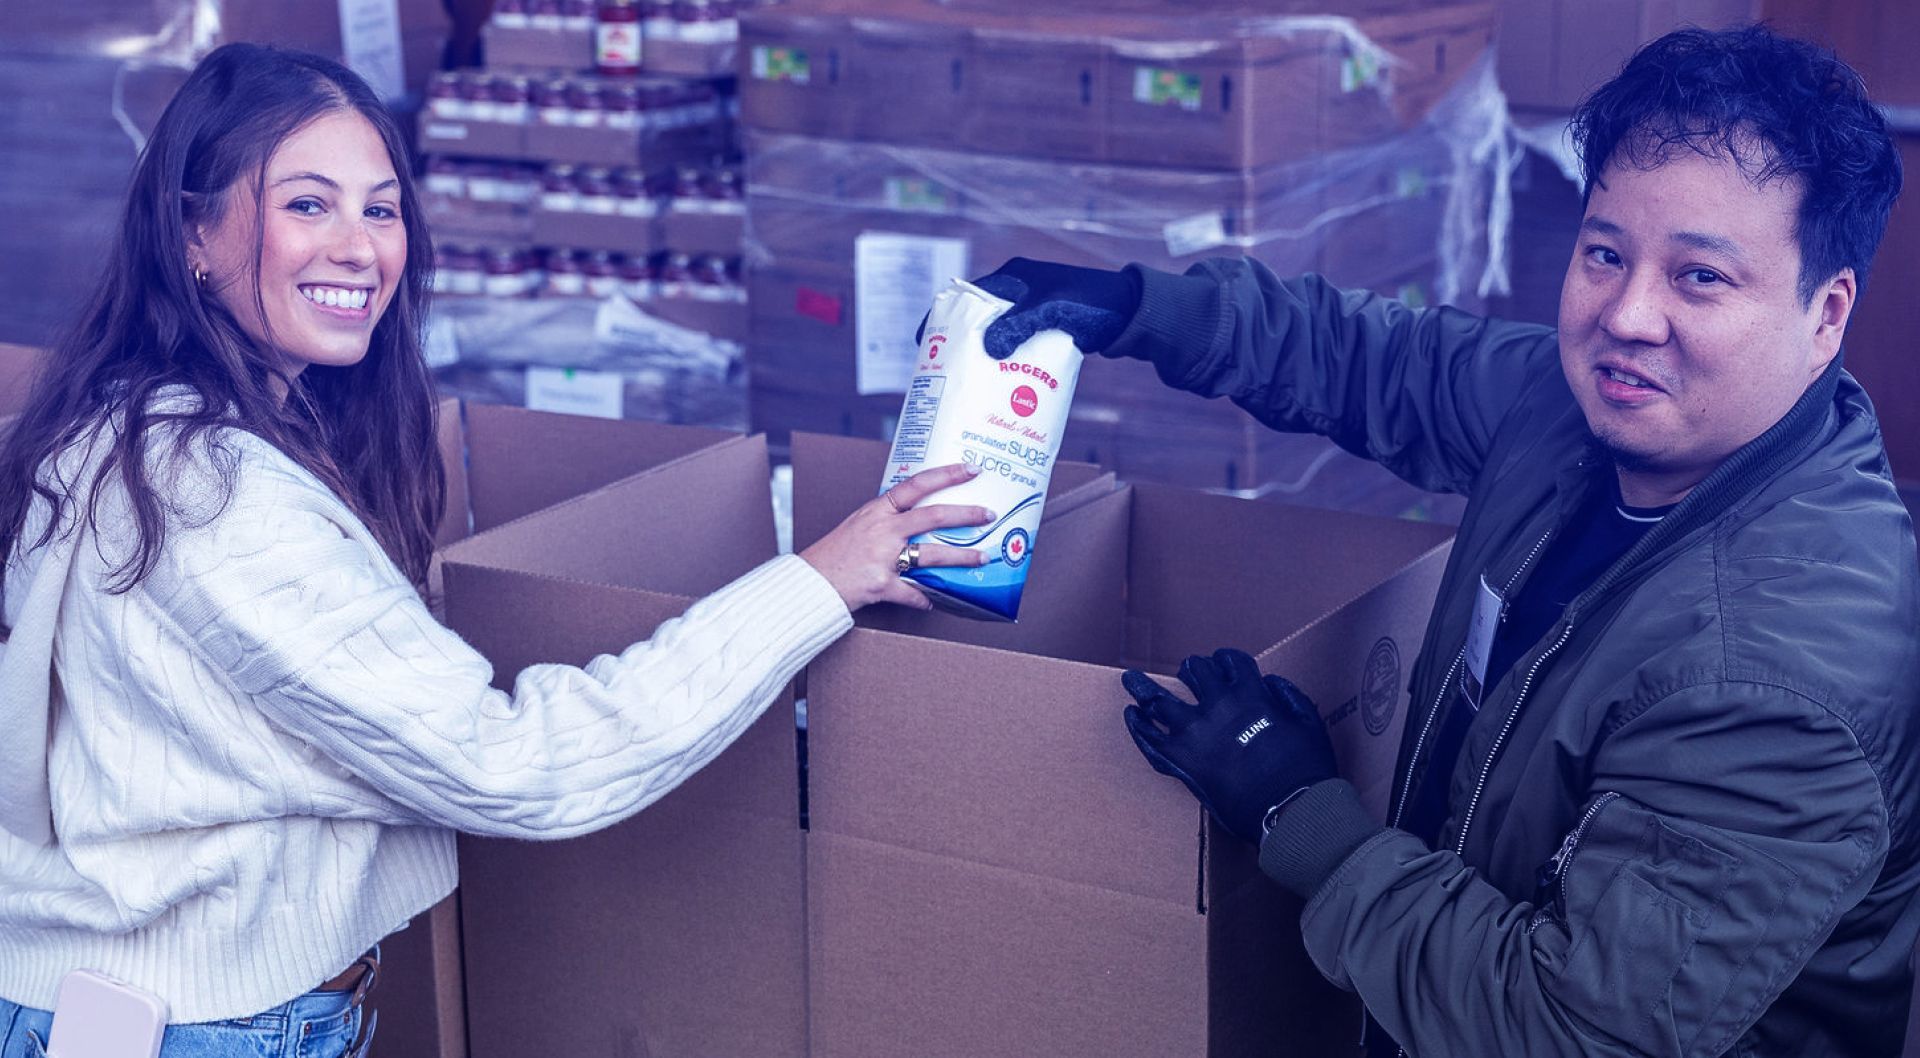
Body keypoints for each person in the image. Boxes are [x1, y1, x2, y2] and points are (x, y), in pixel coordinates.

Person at [0, 43, 990, 1058]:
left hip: (117, 1001)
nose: (359, 247)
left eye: (380, 208)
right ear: (192, 234)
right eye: (307, 204)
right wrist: (816, 581)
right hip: (199, 1023)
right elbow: (517, 765)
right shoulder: (213, 494)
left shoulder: (115, 429)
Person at [972, 24, 1918, 1058]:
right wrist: (1140, 310)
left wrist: (1301, 813)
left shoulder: (1779, 677)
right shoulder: (1584, 411)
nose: (1628, 316)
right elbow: (1382, 361)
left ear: (1825, 313)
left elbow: (1568, 1031)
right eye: (1605, 253)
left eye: (1700, 279)